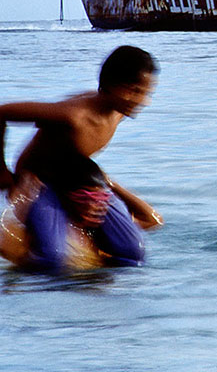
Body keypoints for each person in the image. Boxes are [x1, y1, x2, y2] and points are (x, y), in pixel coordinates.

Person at [0, 45, 163, 268]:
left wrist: (108, 184)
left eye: (146, 93)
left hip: (77, 179)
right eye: (135, 91)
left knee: (133, 253)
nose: (143, 101)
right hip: (40, 181)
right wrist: (2, 172)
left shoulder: (119, 112)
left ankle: (94, 270)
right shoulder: (74, 116)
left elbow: (153, 220)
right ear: (112, 86)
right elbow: (2, 113)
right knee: (52, 259)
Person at [1, 154, 160, 271]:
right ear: (65, 197)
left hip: (99, 293)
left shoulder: (98, 234)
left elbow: (152, 220)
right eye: (85, 197)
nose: (96, 205)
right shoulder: (33, 232)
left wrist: (111, 184)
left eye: (102, 198)